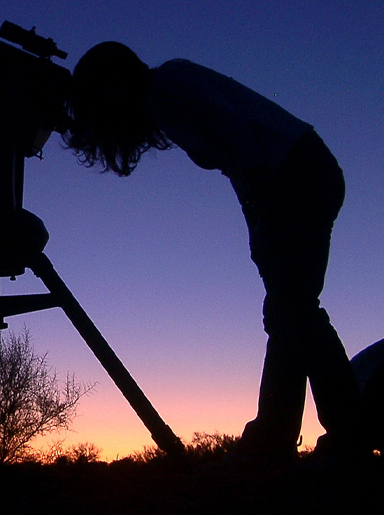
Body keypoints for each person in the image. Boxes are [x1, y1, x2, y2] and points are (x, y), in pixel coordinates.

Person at [65, 41, 365, 462]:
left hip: (299, 177)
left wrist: (265, 220)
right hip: (298, 176)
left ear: (113, 83)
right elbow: (238, 161)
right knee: (289, 312)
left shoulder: (169, 87)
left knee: (295, 310)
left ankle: (327, 435)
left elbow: (246, 147)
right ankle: (280, 438)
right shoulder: (164, 97)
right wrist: (259, 230)